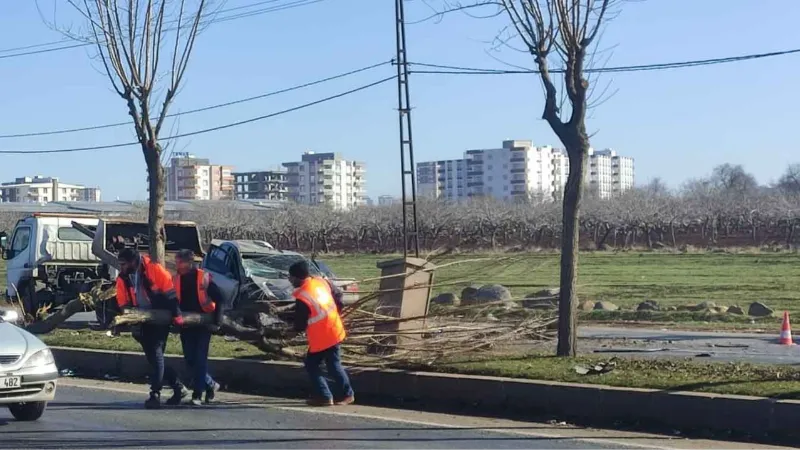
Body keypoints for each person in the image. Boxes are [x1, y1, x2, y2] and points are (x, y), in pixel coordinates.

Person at [116, 248, 187, 409]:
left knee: (156, 355)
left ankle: (155, 394)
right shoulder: (123, 277)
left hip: (160, 318)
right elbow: (123, 301)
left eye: (123, 264)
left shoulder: (154, 269)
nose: (121, 267)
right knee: (154, 360)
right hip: (140, 321)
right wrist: (128, 318)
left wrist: (177, 314)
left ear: (134, 261)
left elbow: (170, 293)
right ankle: (178, 388)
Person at [288, 260, 355, 407]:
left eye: (291, 277)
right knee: (332, 364)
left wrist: (289, 332)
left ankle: (331, 396)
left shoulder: (303, 297)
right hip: (334, 328)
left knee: (314, 365)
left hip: (323, 336)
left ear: (298, 278)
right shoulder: (320, 282)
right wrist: (336, 313)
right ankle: (338, 395)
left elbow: (300, 324)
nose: (289, 280)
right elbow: (338, 295)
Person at [173, 249, 223, 406]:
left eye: (179, 262)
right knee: (190, 359)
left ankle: (197, 394)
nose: (177, 265)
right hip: (186, 324)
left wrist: (217, 321)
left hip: (204, 323)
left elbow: (219, 298)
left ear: (189, 262)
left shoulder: (203, 278)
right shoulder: (176, 279)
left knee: (200, 359)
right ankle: (210, 385)